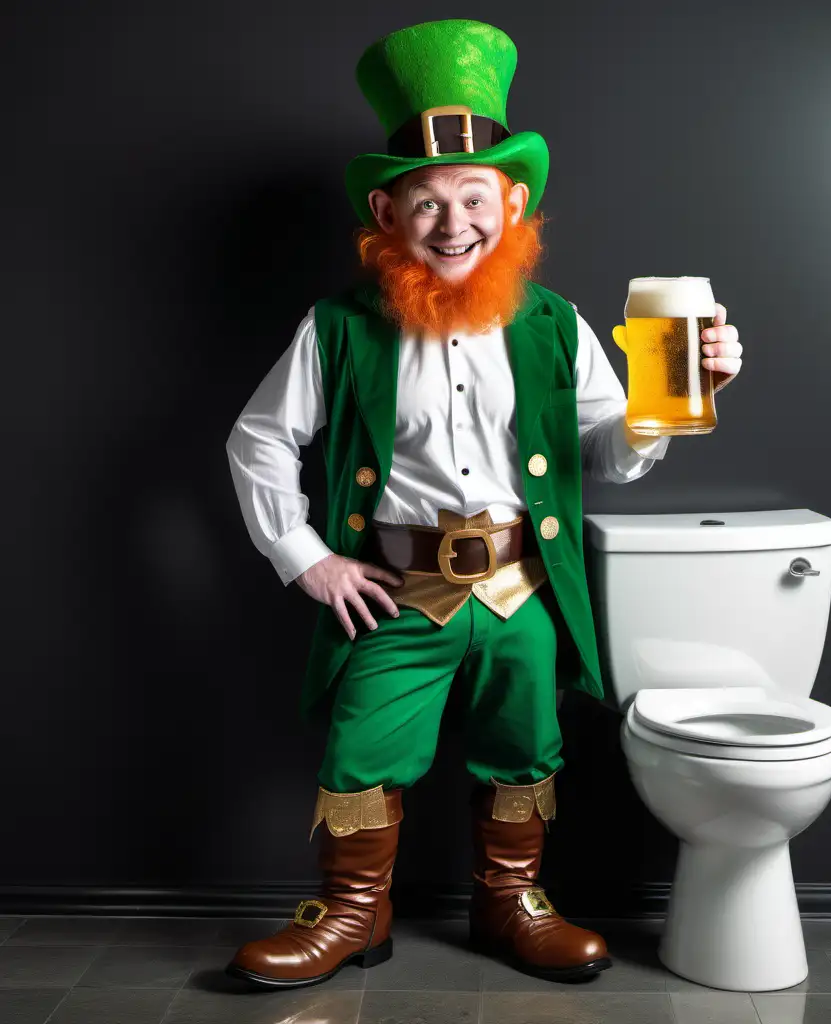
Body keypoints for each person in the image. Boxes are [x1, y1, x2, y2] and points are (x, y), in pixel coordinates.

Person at [224, 18, 743, 990]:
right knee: (363, 745)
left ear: (512, 202)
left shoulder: (556, 324)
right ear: (387, 208)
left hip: (519, 586)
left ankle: (511, 904)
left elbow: (609, 457)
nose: (453, 222)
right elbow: (258, 438)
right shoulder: (338, 326)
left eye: (474, 197)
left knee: (524, 747)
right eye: (427, 201)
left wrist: (678, 402)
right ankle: (350, 914)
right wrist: (308, 558)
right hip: (399, 588)